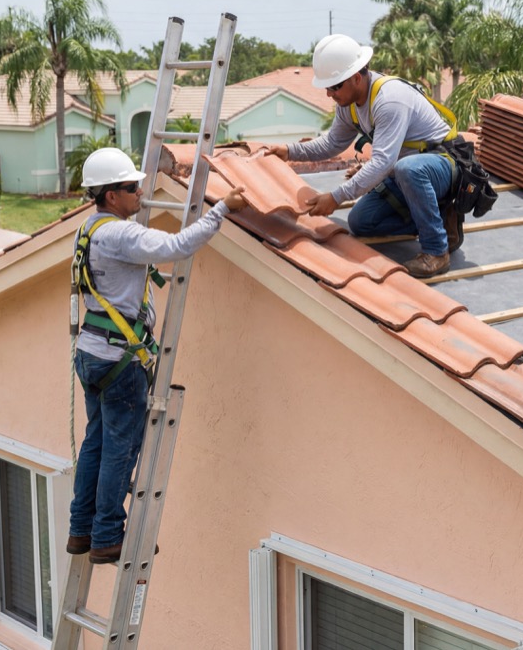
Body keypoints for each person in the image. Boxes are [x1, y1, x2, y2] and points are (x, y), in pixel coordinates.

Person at [67, 147, 246, 563]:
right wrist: (223, 210)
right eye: (132, 188)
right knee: (119, 448)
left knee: (96, 442)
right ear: (111, 196)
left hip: (92, 354)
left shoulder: (89, 229)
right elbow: (182, 244)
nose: (140, 195)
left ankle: (82, 530)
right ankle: (109, 535)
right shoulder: (120, 235)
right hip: (118, 361)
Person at [266, 34, 460, 278]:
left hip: (442, 165)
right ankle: (439, 217)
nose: (329, 94)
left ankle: (437, 251)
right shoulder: (349, 105)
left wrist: (336, 197)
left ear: (356, 78)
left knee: (409, 169)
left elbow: (383, 162)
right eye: (327, 87)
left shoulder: (389, 100)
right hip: (405, 174)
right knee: (361, 222)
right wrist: (290, 151)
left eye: (334, 86)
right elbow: (332, 143)